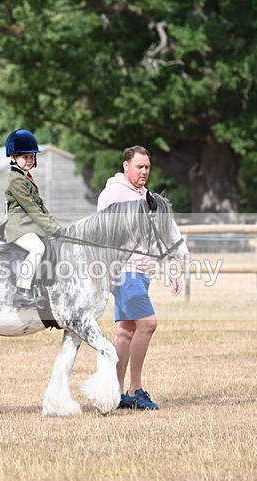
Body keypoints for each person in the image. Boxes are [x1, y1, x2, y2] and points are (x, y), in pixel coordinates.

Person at [97, 145, 183, 410]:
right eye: (139, 167)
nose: (144, 171)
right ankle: (135, 390)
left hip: (142, 272)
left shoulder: (146, 195)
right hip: (124, 272)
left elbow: (161, 234)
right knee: (148, 324)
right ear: (126, 166)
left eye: (147, 167)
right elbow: (103, 233)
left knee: (125, 331)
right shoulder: (113, 193)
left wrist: (173, 264)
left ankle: (115, 394)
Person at [3, 129, 62, 308]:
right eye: (24, 157)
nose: (29, 161)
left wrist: (56, 225)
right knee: (37, 248)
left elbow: (40, 205)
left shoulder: (26, 177)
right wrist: (51, 229)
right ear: (13, 157)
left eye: (31, 157)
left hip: (30, 225)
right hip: (19, 227)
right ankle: (22, 291)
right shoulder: (16, 180)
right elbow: (30, 208)